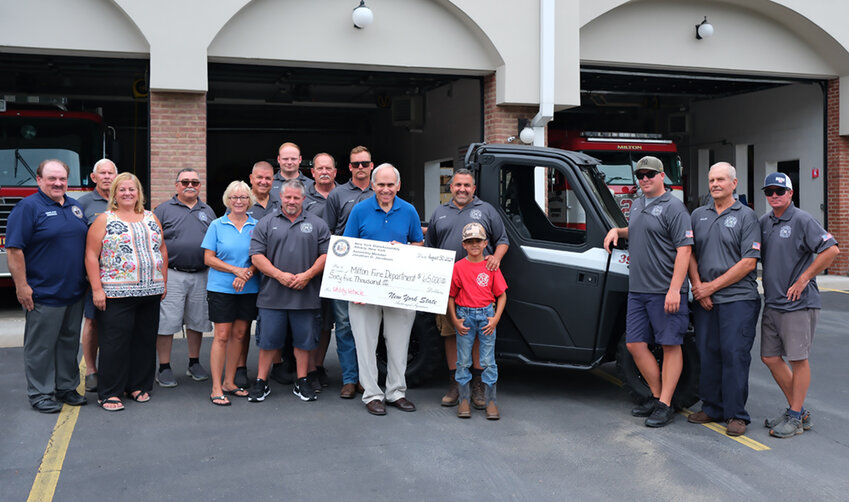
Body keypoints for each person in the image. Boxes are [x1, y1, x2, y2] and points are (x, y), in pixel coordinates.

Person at [603, 155, 693, 428]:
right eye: (640, 175)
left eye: (650, 175)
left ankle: (666, 404)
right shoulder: (639, 204)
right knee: (634, 344)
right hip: (638, 290)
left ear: (662, 176)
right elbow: (640, 231)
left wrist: (675, 289)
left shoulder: (675, 208)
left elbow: (684, 250)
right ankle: (657, 397)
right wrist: (617, 230)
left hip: (664, 290)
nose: (644, 179)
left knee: (670, 345)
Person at [759, 172, 839, 438]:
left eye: (779, 191)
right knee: (769, 357)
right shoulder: (765, 222)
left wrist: (805, 278)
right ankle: (799, 411)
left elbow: (831, 250)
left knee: (798, 359)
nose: (774, 196)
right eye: (769, 192)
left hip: (798, 304)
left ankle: (795, 416)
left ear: (790, 193)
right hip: (772, 302)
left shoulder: (803, 219)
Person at [7, 159, 89, 413]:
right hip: (43, 292)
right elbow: (14, 250)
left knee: (68, 343)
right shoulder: (28, 208)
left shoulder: (75, 207)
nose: (58, 183)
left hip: (73, 291)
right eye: (52, 178)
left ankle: (65, 387)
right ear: (39, 180)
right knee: (41, 347)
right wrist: (22, 286)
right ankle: (41, 393)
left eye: (62, 179)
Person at [686, 162, 761, 437]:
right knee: (708, 353)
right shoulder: (698, 215)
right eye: (711, 180)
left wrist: (710, 288)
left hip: (738, 299)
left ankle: (736, 415)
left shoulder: (746, 216)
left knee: (734, 356)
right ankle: (713, 407)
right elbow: (689, 252)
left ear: (734, 183)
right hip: (704, 297)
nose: (715, 184)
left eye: (720, 179)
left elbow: (748, 263)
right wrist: (697, 285)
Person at [344, 163, 424, 416]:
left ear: (398, 186)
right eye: (381, 184)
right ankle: (372, 394)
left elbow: (418, 243)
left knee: (399, 342)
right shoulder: (359, 211)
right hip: (364, 290)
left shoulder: (409, 210)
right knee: (365, 343)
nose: (386, 189)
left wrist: (404, 250)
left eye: (391, 185)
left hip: (399, 288)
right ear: (372, 185)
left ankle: (396, 392)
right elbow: (348, 249)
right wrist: (352, 289)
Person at [426, 168, 508, 409]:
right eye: (458, 185)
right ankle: (455, 383)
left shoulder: (486, 210)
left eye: (467, 185)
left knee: (478, 338)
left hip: (480, 289)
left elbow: (502, 240)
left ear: (474, 189)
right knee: (452, 333)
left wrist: (497, 259)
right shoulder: (439, 212)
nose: (462, 189)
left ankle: (478, 386)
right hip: (449, 287)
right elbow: (430, 246)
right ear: (450, 188)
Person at [85, 173, 167, 412]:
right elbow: (91, 255)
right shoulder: (104, 219)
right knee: (114, 343)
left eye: (132, 189)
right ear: (114, 194)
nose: (127, 193)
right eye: (122, 190)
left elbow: (161, 248)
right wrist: (97, 289)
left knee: (144, 341)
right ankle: (110, 391)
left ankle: (138, 385)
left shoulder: (151, 217)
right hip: (116, 293)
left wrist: (164, 280)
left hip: (150, 290)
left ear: (139, 192)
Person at [248, 180, 330, 403]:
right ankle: (261, 381)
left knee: (304, 343)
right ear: (281, 198)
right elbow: (256, 256)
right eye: (288, 197)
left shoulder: (317, 224)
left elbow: (326, 255)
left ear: (303, 199)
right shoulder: (265, 223)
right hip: (272, 296)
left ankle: (302, 380)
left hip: (306, 295)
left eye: (296, 197)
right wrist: (279, 275)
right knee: (267, 342)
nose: (292, 201)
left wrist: (307, 275)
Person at [153, 168, 216, 387]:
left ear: (200, 186)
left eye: (195, 182)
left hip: (201, 274)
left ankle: (194, 362)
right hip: (172, 274)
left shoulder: (207, 210)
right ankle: (164, 367)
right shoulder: (162, 210)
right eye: (185, 181)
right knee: (167, 323)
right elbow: (153, 243)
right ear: (177, 185)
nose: (191, 185)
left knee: (197, 321)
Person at [202, 181, 260, 406]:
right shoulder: (217, 225)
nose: (239, 201)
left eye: (243, 197)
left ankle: (229, 382)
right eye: (234, 197)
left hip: (248, 287)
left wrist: (246, 274)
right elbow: (208, 258)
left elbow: (260, 256)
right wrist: (235, 270)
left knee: (239, 334)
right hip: (221, 288)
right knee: (222, 335)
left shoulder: (257, 225)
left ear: (249, 201)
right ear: (227, 200)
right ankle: (216, 386)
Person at [324, 146, 375, 398]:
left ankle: (368, 379)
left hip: (376, 270)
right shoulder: (337, 194)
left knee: (372, 325)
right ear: (350, 168)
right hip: (344, 267)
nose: (360, 168)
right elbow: (328, 232)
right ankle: (349, 378)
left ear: (371, 165)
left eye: (364, 163)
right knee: (344, 325)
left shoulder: (381, 191)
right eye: (356, 164)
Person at [448, 222, 507, 420]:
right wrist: (455, 320)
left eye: (478, 241)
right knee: (463, 360)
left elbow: (502, 295)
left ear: (485, 243)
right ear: (464, 244)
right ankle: (464, 399)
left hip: (486, 316)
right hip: (465, 316)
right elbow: (451, 296)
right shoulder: (458, 267)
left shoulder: (491, 266)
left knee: (488, 361)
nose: (474, 244)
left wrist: (495, 319)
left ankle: (491, 401)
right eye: (470, 241)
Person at [233, 161, 281, 389]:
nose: (263, 182)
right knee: (243, 326)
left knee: (275, 322)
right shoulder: (241, 202)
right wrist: (244, 271)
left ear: (274, 180)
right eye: (259, 177)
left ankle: (277, 364)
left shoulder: (280, 203)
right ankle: (240, 367)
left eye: (268, 178)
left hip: (274, 274)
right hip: (248, 274)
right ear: (251, 178)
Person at [76, 158, 118, 392]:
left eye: (110, 173)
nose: (107, 177)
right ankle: (91, 370)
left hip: (123, 279)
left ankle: (115, 370)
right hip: (95, 277)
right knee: (92, 322)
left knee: (118, 325)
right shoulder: (82, 205)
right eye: (102, 173)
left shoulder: (125, 201)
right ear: (93, 177)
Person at [303, 152, 338, 392]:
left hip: (340, 270)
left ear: (335, 171)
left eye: (329, 168)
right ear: (312, 172)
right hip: (311, 268)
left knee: (328, 322)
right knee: (309, 320)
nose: (324, 171)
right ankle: (307, 370)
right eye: (319, 168)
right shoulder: (304, 197)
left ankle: (318, 365)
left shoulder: (344, 194)